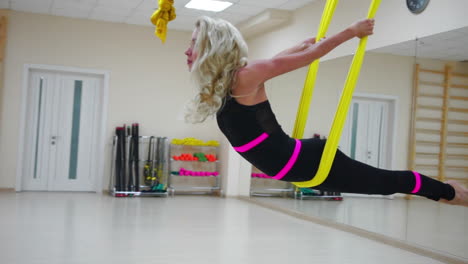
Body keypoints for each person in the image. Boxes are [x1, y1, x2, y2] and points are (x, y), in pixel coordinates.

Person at [183, 16, 468, 206]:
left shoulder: (245, 76)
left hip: (305, 162)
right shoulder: (231, 81)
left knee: (386, 183)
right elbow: (273, 63)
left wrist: (351, 32)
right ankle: (447, 190)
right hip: (294, 164)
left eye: (194, 43)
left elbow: (311, 57)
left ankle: (450, 192)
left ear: (213, 46)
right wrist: (297, 46)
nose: (187, 50)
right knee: (383, 182)